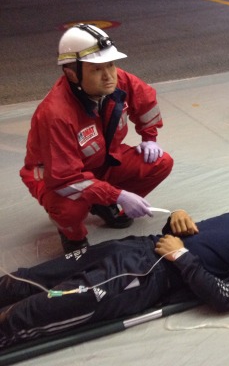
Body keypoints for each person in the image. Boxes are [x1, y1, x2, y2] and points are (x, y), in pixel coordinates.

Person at [0, 208, 229, 349]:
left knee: (45, 305)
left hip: (142, 277)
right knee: (30, 278)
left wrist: (181, 257)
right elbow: (184, 233)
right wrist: (177, 219)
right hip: (129, 248)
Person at [20, 24, 174, 254]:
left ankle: (104, 205)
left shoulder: (117, 80)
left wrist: (149, 137)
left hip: (102, 160)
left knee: (161, 162)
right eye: (97, 69)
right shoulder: (55, 114)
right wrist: (118, 195)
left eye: (111, 64)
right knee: (69, 209)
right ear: (72, 74)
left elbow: (146, 100)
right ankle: (73, 236)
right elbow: (66, 179)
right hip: (58, 178)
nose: (109, 75)